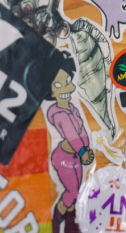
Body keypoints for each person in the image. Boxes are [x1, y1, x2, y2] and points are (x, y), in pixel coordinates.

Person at [44, 51, 94, 233]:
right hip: (64, 158)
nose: (66, 88)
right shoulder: (59, 114)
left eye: (67, 82)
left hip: (76, 157)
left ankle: (71, 226)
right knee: (72, 192)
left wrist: (85, 150)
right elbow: (72, 134)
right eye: (58, 85)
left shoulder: (72, 108)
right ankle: (56, 224)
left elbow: (81, 131)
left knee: (76, 190)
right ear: (50, 90)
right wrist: (82, 152)